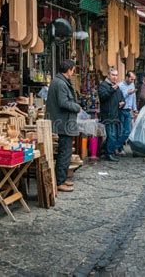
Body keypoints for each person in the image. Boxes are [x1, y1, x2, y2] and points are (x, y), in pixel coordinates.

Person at [46, 60, 81, 192]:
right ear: (69, 70)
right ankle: (60, 181)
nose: (73, 73)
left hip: (63, 121)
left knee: (64, 152)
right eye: (73, 70)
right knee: (64, 152)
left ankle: (62, 178)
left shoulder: (59, 81)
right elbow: (63, 102)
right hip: (63, 122)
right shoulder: (60, 83)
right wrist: (77, 107)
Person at [98, 68, 125, 162]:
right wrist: (111, 90)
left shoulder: (116, 87)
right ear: (108, 75)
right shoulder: (103, 85)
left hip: (116, 114)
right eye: (113, 75)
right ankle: (108, 154)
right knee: (111, 135)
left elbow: (121, 97)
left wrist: (123, 102)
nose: (115, 77)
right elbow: (103, 97)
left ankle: (104, 150)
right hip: (108, 115)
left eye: (116, 75)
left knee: (115, 135)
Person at [116, 71, 137, 156]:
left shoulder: (132, 85)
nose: (132, 81)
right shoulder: (120, 86)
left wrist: (135, 109)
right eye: (131, 79)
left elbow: (133, 97)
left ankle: (115, 147)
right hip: (121, 110)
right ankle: (119, 148)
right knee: (120, 131)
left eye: (133, 79)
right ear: (127, 77)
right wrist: (127, 93)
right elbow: (118, 98)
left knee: (128, 131)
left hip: (128, 110)